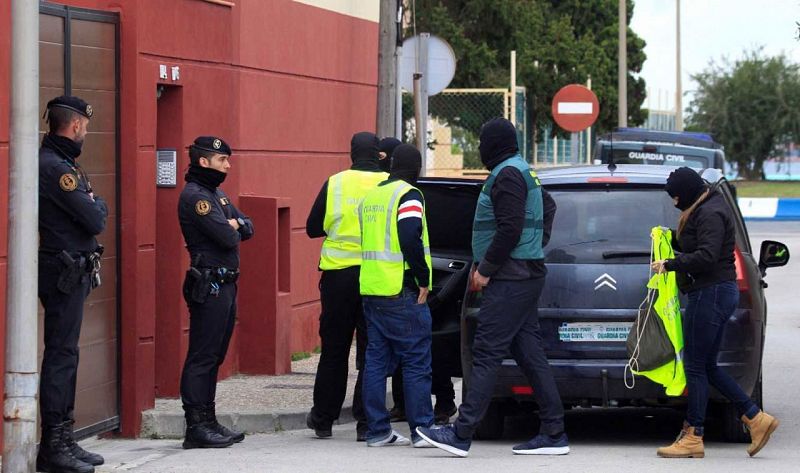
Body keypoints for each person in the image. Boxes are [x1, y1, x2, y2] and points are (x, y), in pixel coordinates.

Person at [417, 117, 565, 457]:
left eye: (483, 141)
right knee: (530, 354)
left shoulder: (508, 174)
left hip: (511, 276)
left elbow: (510, 227)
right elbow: (548, 209)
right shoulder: (520, 169)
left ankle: (461, 432)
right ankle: (554, 432)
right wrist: (533, 246)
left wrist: (486, 269)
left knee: (485, 352)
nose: (480, 147)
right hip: (523, 273)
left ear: (495, 144)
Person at [653, 167, 779, 459]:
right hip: (717, 293)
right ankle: (756, 418)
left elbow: (707, 255)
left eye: (675, 198)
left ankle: (693, 434)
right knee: (708, 366)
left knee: (695, 367)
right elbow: (700, 243)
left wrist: (671, 264)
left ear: (685, 194)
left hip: (710, 295)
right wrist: (670, 237)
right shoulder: (708, 206)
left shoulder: (710, 212)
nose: (674, 203)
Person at [37, 96, 108, 473]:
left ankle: (65, 436)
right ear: (76, 125)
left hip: (73, 271)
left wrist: (96, 206)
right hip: (62, 272)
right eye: (86, 126)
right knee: (61, 357)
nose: (86, 132)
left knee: (68, 355)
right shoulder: (56, 169)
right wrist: (97, 206)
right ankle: (54, 445)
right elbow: (95, 217)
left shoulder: (65, 165)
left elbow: (94, 211)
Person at [306, 132, 388, 441]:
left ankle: (324, 420)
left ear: (351, 155)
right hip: (376, 277)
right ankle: (366, 423)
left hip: (338, 277)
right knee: (371, 352)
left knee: (334, 350)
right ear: (379, 154)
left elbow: (314, 227)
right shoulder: (390, 184)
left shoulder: (336, 183)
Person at [178, 136, 254, 449]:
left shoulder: (216, 195)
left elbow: (248, 226)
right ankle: (196, 426)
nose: (227, 166)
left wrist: (236, 222)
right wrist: (233, 224)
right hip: (208, 284)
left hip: (225, 284)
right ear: (204, 162)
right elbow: (227, 236)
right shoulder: (197, 197)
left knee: (215, 355)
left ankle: (208, 420)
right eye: (222, 161)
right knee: (202, 355)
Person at [360, 144, 435, 448]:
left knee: (375, 361)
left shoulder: (373, 195)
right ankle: (422, 430)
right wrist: (424, 278)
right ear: (416, 169)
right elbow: (408, 235)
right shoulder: (409, 195)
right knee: (416, 360)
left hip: (372, 289)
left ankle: (377, 431)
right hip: (402, 290)